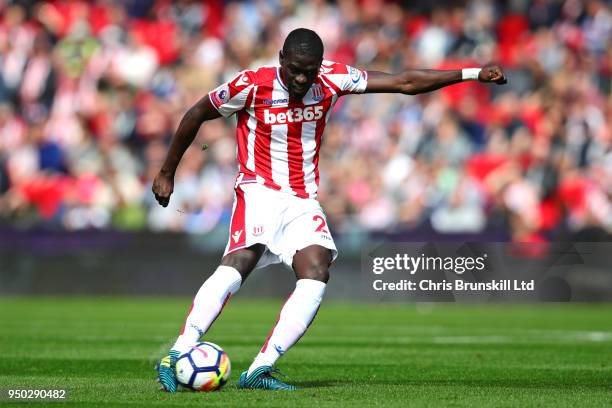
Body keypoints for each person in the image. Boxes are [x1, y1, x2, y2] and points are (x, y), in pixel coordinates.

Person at [153, 28, 506, 391]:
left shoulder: (332, 78)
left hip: (302, 198)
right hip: (258, 189)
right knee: (242, 261)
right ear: (280, 60)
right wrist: (167, 172)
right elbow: (196, 113)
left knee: (317, 270)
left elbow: (404, 82)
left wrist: (472, 73)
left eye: (309, 70)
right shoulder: (252, 84)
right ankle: (178, 352)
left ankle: (260, 368)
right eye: (295, 70)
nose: (302, 79)